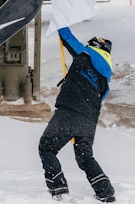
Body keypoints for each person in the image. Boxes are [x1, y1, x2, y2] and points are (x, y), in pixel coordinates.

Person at [39, 27, 115, 202]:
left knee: (47, 148)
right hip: (88, 122)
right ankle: (106, 192)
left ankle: (59, 190)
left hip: (68, 113)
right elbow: (99, 100)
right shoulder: (105, 81)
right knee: (85, 158)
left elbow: (66, 37)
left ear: (94, 46)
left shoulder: (84, 54)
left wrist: (60, 21)